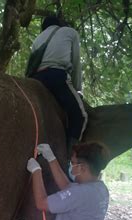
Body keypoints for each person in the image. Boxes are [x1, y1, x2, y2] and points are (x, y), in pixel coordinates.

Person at [29, 16, 88, 153]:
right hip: (57, 76)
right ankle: (71, 155)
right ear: (59, 24)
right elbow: (76, 64)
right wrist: (78, 89)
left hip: (36, 78)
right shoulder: (70, 32)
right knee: (81, 115)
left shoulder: (38, 39)